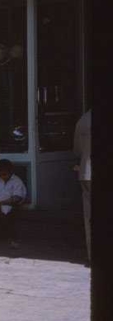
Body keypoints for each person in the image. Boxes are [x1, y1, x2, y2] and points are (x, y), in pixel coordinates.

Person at [0, 159, 27, 248]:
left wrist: (2, 203)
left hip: (12, 205)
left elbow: (17, 198)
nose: (2, 176)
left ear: (10, 172)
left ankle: (13, 239)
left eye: (5, 174)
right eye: (0, 174)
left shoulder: (17, 181)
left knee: (12, 215)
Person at [73, 109, 91, 266]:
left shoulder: (83, 120)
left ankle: (93, 254)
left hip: (87, 173)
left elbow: (77, 149)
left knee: (90, 217)